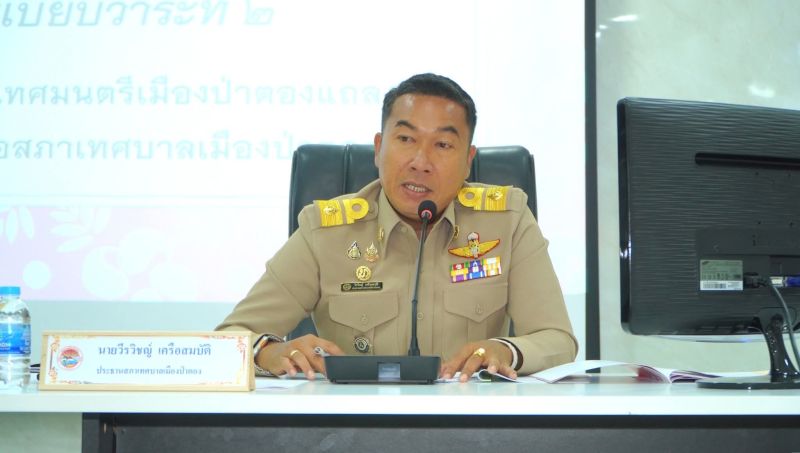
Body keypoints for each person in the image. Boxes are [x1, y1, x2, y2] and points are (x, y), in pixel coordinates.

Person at [216, 73, 577, 381]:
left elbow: (557, 340)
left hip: (470, 422)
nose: (421, 162)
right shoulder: (325, 232)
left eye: (443, 144)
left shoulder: (507, 221)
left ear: (468, 160)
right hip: (352, 425)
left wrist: (506, 351)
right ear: (379, 148)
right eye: (405, 139)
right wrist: (269, 352)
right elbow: (229, 339)